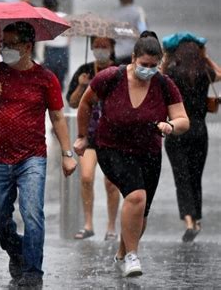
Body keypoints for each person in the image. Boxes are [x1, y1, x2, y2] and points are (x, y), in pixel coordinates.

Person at [0, 22, 77, 287]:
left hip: (32, 158)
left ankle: (32, 274)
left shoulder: (45, 78)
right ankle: (16, 250)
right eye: (2, 44)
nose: (4, 49)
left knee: (32, 214)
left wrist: (67, 153)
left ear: (28, 46)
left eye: (10, 44)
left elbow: (58, 117)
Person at [74, 31, 189, 277]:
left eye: (153, 66)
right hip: (111, 147)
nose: (148, 70)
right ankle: (132, 257)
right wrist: (83, 136)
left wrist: (171, 126)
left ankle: (121, 253)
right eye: (143, 65)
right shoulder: (111, 77)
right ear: (133, 58)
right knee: (136, 196)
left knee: (141, 212)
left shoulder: (163, 84)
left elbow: (183, 120)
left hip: (148, 151)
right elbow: (85, 103)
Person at [161, 32, 219, 242]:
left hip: (177, 129)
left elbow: (159, 75)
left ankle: (188, 220)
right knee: (195, 176)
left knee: (181, 177)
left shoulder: (173, 74)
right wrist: (205, 56)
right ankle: (197, 219)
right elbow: (220, 74)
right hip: (199, 131)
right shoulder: (204, 72)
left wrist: (167, 57)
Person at [66, 36, 120, 240]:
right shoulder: (85, 71)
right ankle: (88, 223)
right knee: (86, 177)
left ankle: (111, 226)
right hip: (89, 135)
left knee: (111, 183)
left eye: (104, 47)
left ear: (112, 48)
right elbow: (71, 103)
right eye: (96, 47)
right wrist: (82, 87)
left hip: (113, 137)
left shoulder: (120, 72)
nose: (100, 51)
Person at [35, 0, 70, 92]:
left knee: (48, 81)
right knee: (60, 81)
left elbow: (40, 40)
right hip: (63, 51)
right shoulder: (65, 17)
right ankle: (58, 100)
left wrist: (40, 57)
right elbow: (69, 38)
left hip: (49, 51)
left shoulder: (44, 17)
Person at [112, 0, 148, 64]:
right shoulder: (138, 11)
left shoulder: (113, 13)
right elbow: (143, 31)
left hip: (118, 53)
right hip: (133, 52)